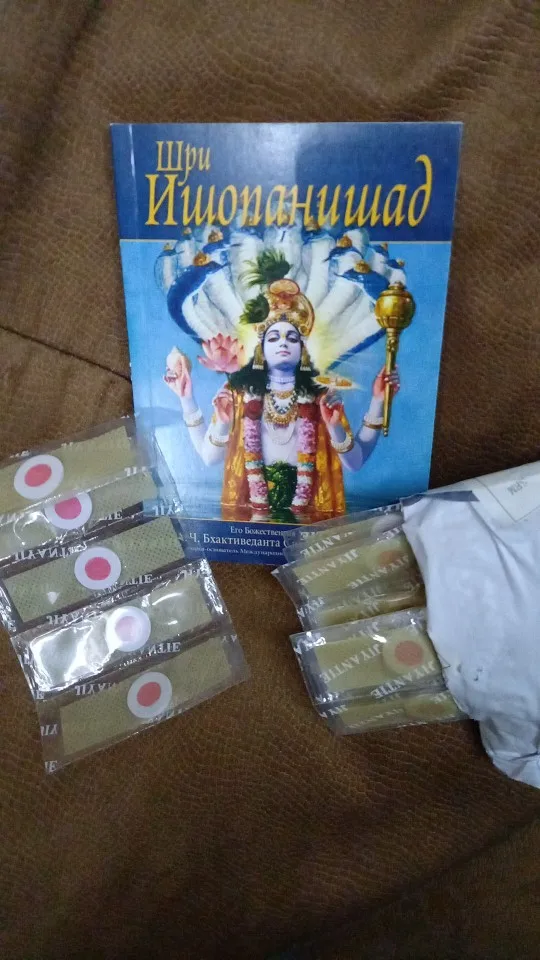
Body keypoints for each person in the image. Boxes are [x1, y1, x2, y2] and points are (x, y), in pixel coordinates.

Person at [165, 279, 398, 522]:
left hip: (308, 520)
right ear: (261, 349)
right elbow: (209, 458)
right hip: (254, 521)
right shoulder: (239, 394)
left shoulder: (321, 398)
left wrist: (374, 403)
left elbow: (355, 462)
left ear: (302, 350)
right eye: (274, 338)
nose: (283, 343)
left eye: (292, 338)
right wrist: (193, 404)